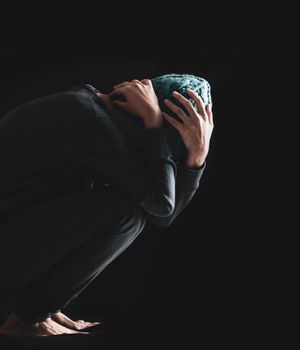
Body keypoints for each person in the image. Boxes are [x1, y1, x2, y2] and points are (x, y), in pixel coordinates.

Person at [0, 74, 214, 337]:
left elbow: (161, 215)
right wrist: (155, 124)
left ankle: (38, 310)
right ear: (137, 111)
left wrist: (197, 156)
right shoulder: (93, 123)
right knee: (127, 214)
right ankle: (28, 318)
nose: (151, 154)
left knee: (127, 206)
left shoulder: (91, 110)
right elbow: (162, 205)